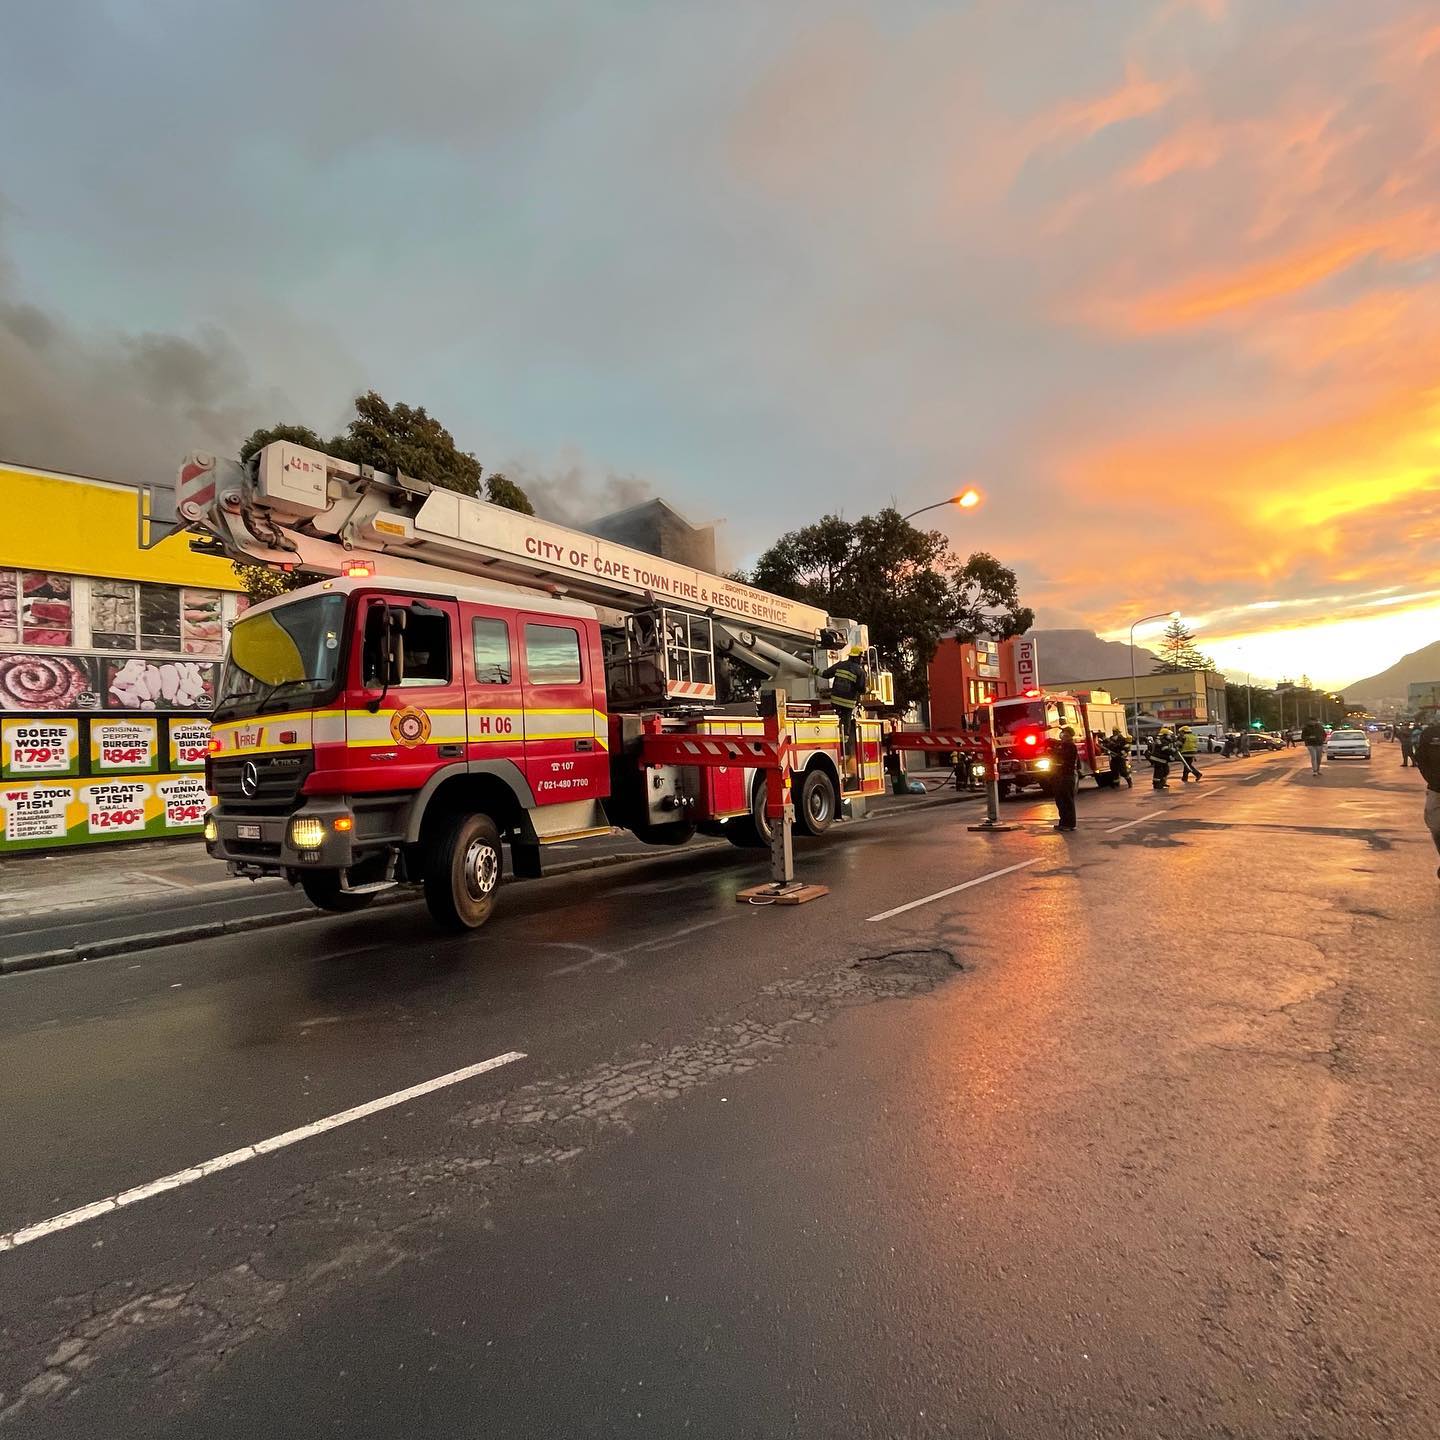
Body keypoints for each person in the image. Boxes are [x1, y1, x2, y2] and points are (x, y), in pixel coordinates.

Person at [821, 647, 869, 769]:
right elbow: (862, 689)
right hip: (848, 704)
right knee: (846, 725)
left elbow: (825, 674)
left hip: (835, 701)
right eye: (861, 657)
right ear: (857, 657)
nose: (861, 659)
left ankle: (836, 739)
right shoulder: (860, 672)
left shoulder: (840, 665)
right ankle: (844, 748)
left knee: (836, 720)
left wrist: (813, 670)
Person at [1413, 718, 1440, 878]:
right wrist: (1431, 778)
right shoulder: (1431, 734)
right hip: (1436, 790)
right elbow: (1420, 758)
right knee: (1436, 828)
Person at [1053, 724, 1079, 830]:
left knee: (1066, 800)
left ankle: (1069, 824)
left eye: (1064, 733)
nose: (1062, 735)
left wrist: (1054, 752)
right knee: (1060, 800)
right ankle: (1063, 822)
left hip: (1066, 776)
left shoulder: (1070, 746)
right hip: (1062, 776)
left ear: (1068, 735)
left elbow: (1063, 756)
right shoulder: (1064, 745)